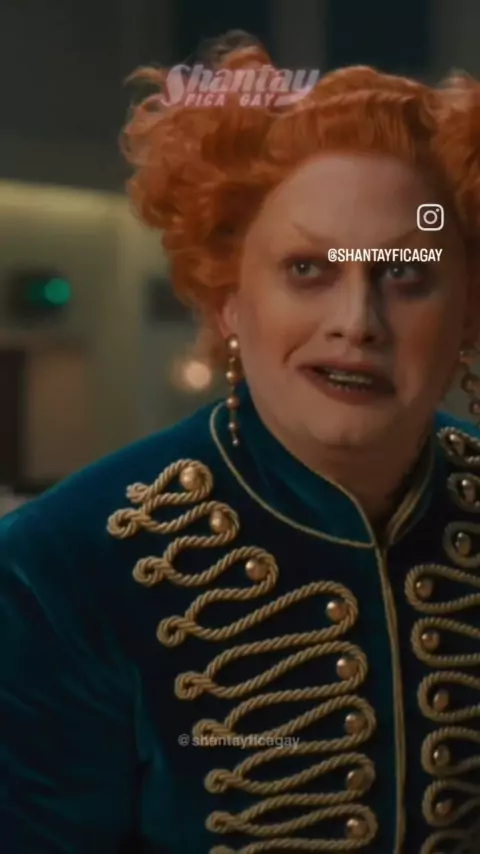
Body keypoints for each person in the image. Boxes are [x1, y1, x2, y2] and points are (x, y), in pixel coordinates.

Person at [2, 30, 480, 854]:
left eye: (404, 272)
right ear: (227, 299)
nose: (356, 322)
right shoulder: (59, 570)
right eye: (308, 269)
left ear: (467, 310)